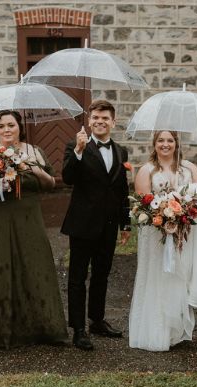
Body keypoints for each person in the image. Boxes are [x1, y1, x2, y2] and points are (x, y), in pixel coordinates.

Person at [0, 110, 67, 348]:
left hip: (29, 218)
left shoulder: (33, 151)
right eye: (1, 126)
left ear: (20, 127)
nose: (6, 130)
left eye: (11, 125)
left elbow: (50, 184)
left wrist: (35, 169)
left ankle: (41, 329)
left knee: (35, 266)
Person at [128, 130, 197, 351]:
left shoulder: (189, 168)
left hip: (182, 235)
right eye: (161, 141)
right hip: (156, 235)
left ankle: (176, 330)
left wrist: (182, 209)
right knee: (159, 277)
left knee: (180, 277)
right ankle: (157, 330)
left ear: (176, 144)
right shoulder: (146, 171)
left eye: (170, 140)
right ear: (154, 144)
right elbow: (142, 204)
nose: (165, 145)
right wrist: (164, 212)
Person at [61, 100, 131, 350]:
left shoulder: (121, 151)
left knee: (102, 274)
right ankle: (79, 329)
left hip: (110, 224)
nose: (100, 122)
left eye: (105, 118)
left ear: (113, 122)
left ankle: (97, 320)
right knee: (78, 278)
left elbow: (122, 188)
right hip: (82, 223)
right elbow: (68, 178)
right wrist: (79, 151)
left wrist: (126, 222)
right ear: (89, 121)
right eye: (96, 118)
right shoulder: (76, 146)